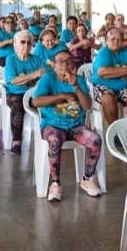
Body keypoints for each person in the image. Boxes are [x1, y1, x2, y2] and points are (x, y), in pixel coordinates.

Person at [32, 50, 103, 201]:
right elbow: (35, 101)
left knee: (95, 140)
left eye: (68, 61)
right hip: (52, 125)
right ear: (54, 65)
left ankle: (88, 178)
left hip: (75, 126)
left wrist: (76, 86)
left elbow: (88, 105)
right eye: (61, 61)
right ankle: (55, 183)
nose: (65, 65)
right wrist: (62, 96)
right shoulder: (48, 79)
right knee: (55, 140)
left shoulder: (78, 80)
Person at [0, 31, 45, 155]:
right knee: (17, 104)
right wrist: (34, 75)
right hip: (15, 94)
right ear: (15, 44)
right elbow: (14, 80)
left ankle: (48, 136)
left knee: (48, 101)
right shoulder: (11, 59)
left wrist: (36, 79)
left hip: (33, 93)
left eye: (29, 42)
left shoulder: (36, 59)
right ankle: (16, 141)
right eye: (23, 42)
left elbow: (45, 75)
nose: (26, 45)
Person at [91, 28, 127, 126]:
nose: (116, 41)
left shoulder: (126, 53)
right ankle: (116, 133)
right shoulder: (104, 52)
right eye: (113, 39)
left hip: (123, 87)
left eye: (119, 39)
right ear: (107, 40)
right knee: (108, 98)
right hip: (103, 85)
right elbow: (103, 72)